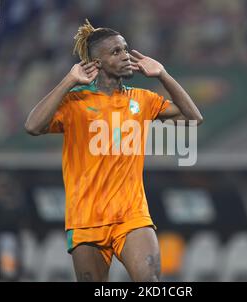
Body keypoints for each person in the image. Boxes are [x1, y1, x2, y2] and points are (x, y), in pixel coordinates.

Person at [25, 19, 203, 282]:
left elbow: (193, 117)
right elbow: (32, 126)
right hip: (86, 220)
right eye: (116, 52)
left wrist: (163, 74)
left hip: (132, 216)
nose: (126, 56)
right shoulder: (75, 103)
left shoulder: (141, 100)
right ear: (97, 63)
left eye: (126, 48)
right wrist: (69, 80)